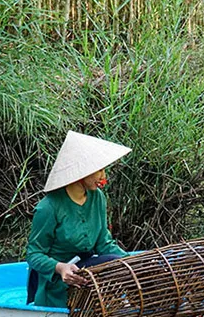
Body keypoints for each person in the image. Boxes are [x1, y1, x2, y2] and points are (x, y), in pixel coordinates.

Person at [26, 131, 131, 307]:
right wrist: (60, 268)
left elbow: (103, 243)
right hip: (62, 278)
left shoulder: (97, 197)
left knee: (118, 263)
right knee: (112, 263)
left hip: (86, 271)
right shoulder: (49, 207)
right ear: (81, 173)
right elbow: (33, 254)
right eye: (99, 170)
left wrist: (130, 262)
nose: (103, 176)